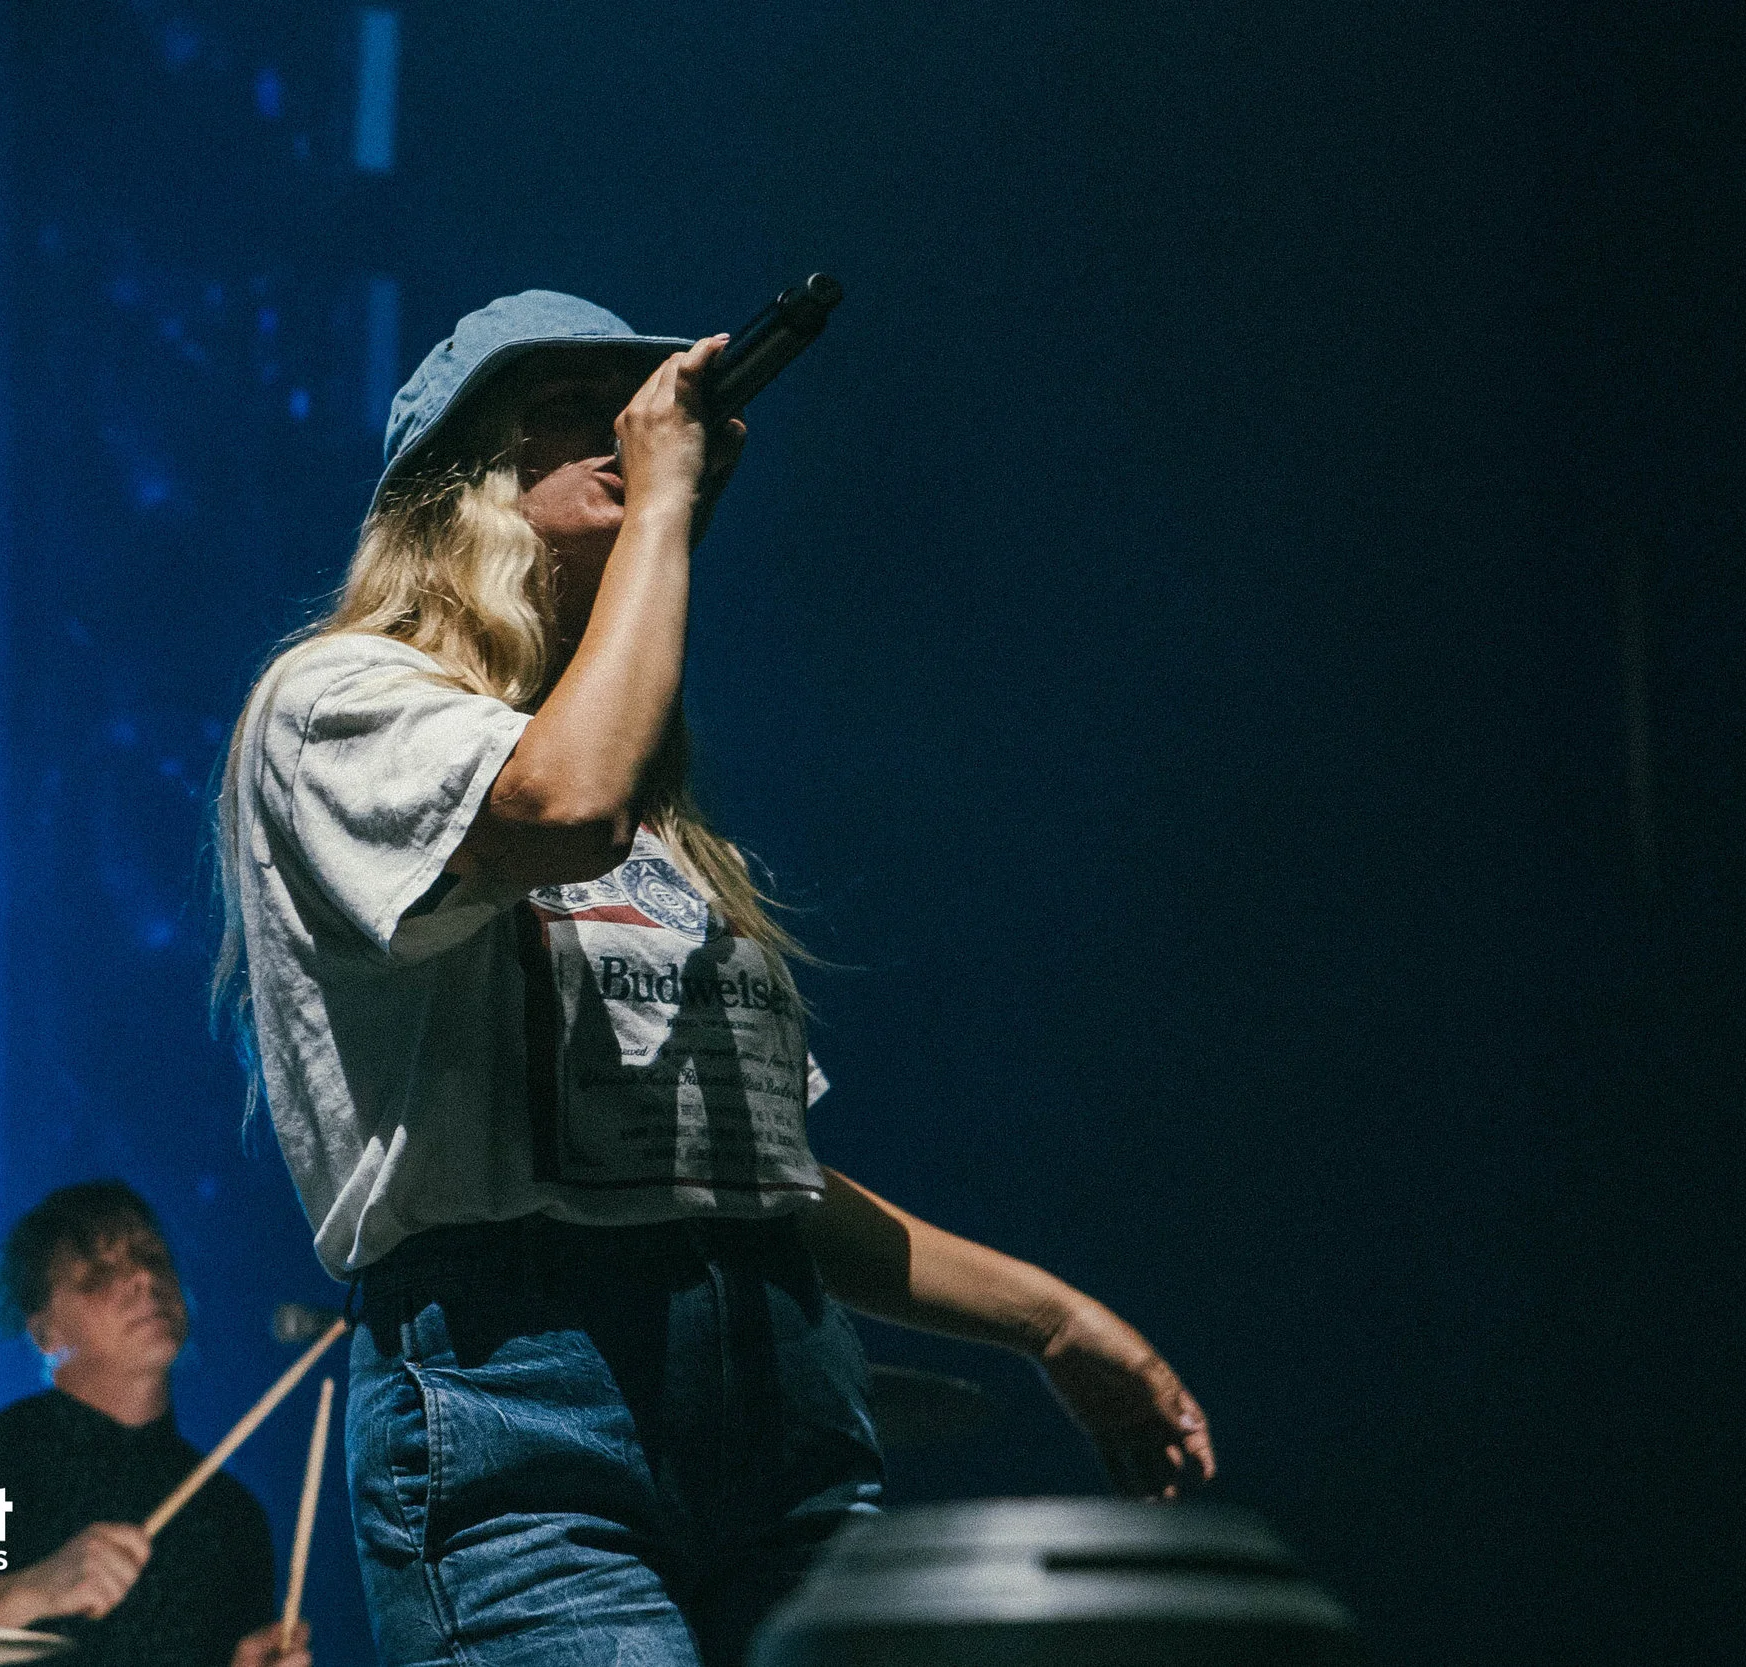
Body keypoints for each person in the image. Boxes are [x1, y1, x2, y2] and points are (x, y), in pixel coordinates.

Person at [214, 290, 1215, 1667]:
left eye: (635, 399)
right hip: (524, 1401)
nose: (625, 427)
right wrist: (672, 504)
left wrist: (1050, 1316)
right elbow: (563, 803)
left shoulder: (661, 820)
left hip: (778, 1391)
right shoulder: (339, 702)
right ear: (461, 480)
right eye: (571, 403)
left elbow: (755, 1186)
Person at [0, 1181, 311, 1667]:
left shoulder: (231, 1513)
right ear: (43, 1332)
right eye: (99, 1273)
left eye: (154, 1256)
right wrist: (34, 1589)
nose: (144, 1278)